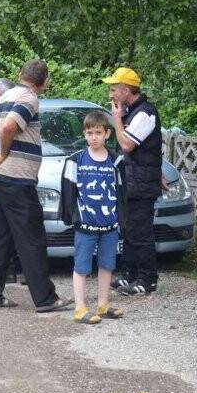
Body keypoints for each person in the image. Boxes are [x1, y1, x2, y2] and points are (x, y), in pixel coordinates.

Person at [0, 59, 72, 312]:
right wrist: (3, 153)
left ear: (20, 74)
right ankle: (45, 299)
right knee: (32, 239)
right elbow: (9, 126)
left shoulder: (1, 98)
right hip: (17, 179)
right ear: (45, 82)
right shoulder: (29, 98)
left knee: (0, 239)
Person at [60, 111, 126, 325]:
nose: (94, 137)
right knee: (82, 267)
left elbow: (122, 191)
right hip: (85, 224)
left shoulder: (116, 160)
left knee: (107, 265)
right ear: (84, 134)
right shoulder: (76, 160)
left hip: (109, 224)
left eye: (98, 132)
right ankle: (80, 308)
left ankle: (103, 304)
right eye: (89, 133)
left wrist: (122, 220)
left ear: (107, 134)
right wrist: (72, 217)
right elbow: (68, 190)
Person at [105, 67, 162, 295]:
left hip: (141, 184)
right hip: (131, 181)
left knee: (141, 232)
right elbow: (148, 151)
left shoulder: (145, 113)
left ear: (126, 90)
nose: (111, 94)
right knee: (128, 231)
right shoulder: (133, 112)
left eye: (114, 89)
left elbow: (128, 145)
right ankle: (130, 274)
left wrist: (117, 120)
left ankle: (147, 279)